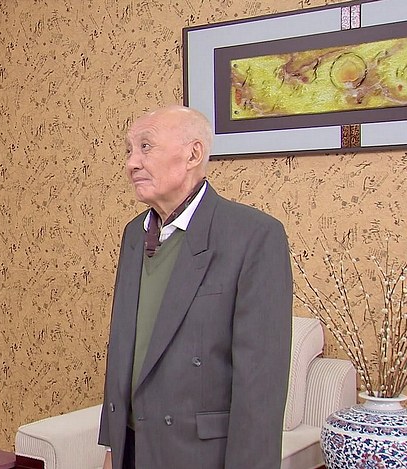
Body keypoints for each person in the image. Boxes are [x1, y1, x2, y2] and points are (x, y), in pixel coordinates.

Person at [98, 105, 292, 469]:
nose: (131, 163)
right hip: (134, 450)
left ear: (193, 154)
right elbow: (124, 350)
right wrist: (112, 448)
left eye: (145, 147)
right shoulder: (134, 235)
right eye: (129, 150)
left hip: (200, 455)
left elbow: (260, 386)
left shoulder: (254, 236)